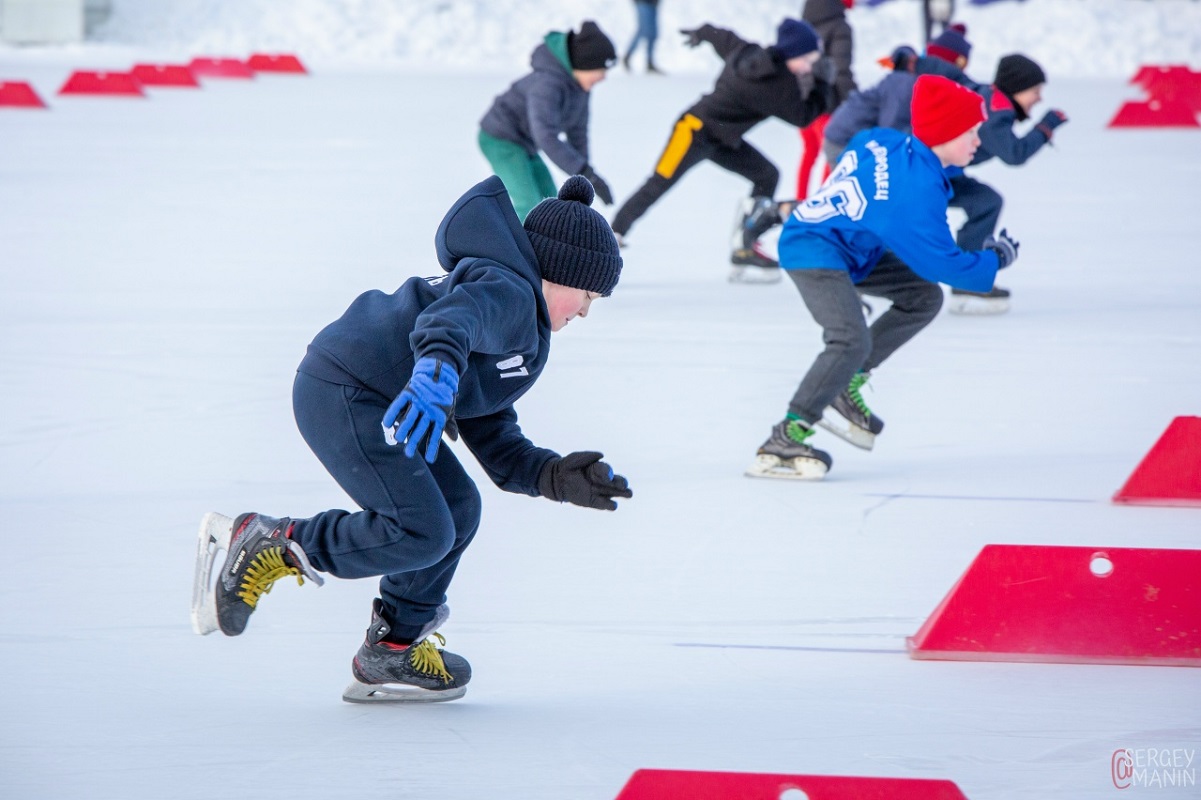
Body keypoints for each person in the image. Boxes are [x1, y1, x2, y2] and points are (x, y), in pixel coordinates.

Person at [191, 175, 633, 704]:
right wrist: (437, 371)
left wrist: (553, 476)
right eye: (586, 294)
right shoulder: (509, 291)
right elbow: (452, 320)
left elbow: (491, 430)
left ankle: (393, 645)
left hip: (383, 396)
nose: (584, 310)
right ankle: (271, 541)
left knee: (459, 508)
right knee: (421, 530)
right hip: (348, 387)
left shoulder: (522, 328)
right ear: (558, 275)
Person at [747, 75, 1020, 480]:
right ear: (944, 135)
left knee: (923, 297)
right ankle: (785, 437)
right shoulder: (914, 192)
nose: (978, 142)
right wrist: (994, 259)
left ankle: (845, 383)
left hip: (850, 246)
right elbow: (944, 264)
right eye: (971, 133)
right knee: (849, 338)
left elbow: (857, 148)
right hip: (813, 249)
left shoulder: (887, 141)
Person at [609, 18, 834, 283]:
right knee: (658, 183)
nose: (808, 67)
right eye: (806, 60)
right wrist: (821, 83)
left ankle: (745, 245)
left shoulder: (748, 51)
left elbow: (722, 36)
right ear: (791, 53)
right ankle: (611, 237)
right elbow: (803, 115)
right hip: (692, 131)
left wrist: (701, 32)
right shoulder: (777, 85)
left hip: (723, 139)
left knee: (766, 175)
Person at [946, 53, 1067, 314]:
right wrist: (1045, 127)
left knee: (986, 202)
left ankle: (966, 276)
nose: (1039, 97)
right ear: (1017, 88)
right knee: (984, 203)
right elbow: (1015, 154)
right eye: (1034, 90)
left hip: (943, 172)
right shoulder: (995, 114)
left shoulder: (989, 97)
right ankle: (965, 278)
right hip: (931, 176)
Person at [479, 21, 618, 221]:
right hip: (499, 139)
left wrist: (585, 178)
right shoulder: (547, 85)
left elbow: (577, 133)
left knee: (549, 202)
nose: (603, 78)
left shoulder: (580, 88)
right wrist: (585, 171)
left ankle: (549, 249)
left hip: (525, 143)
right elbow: (546, 136)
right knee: (528, 204)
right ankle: (514, 251)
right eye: (600, 71)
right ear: (583, 64)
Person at [796, 0, 857, 199]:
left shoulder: (807, 20)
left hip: (803, 99)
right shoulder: (840, 26)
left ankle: (801, 201)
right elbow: (841, 71)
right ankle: (822, 205)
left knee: (810, 151)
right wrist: (855, 101)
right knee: (835, 153)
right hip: (828, 103)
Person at [623, 0, 663, 74]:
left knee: (653, 34)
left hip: (653, 3)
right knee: (644, 30)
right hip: (643, 2)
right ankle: (627, 56)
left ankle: (649, 62)